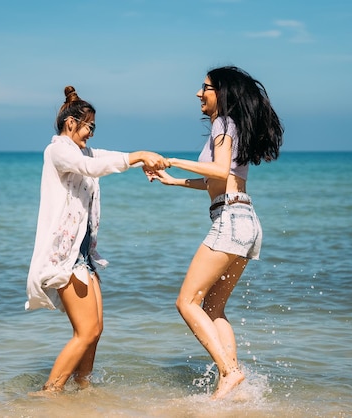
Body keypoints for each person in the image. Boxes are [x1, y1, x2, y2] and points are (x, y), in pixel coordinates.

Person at [145, 66, 283, 399]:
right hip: (245, 218)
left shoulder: (223, 123)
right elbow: (219, 180)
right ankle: (235, 381)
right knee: (213, 308)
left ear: (220, 92)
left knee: (186, 302)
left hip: (231, 219)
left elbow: (219, 170)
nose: (198, 93)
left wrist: (172, 160)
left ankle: (230, 372)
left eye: (204, 87)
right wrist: (175, 181)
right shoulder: (231, 126)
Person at [25, 86, 168, 394]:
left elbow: (106, 159)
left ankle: (83, 388)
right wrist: (139, 155)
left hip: (84, 255)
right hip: (65, 256)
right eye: (89, 126)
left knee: (96, 330)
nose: (91, 133)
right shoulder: (59, 150)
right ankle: (50, 392)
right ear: (70, 123)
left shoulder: (83, 151)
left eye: (93, 127)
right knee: (85, 331)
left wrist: (142, 159)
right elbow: (90, 168)